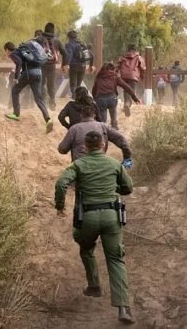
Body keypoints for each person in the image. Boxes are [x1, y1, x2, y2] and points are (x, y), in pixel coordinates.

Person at [55, 130, 135, 324]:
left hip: (87, 217)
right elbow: (128, 188)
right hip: (111, 216)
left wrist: (60, 207)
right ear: (103, 145)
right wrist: (113, 189)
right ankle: (123, 308)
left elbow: (61, 183)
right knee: (115, 259)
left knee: (86, 246)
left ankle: (94, 285)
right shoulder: (114, 164)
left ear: (85, 147)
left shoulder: (78, 165)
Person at [4, 41, 53, 133]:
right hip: (39, 72)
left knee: (15, 90)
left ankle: (16, 114)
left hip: (28, 73)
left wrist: (16, 77)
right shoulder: (26, 51)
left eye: (5, 51)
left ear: (7, 50)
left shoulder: (13, 53)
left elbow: (18, 62)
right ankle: (48, 119)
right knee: (38, 99)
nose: (6, 53)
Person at [58, 105, 132, 164]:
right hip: (100, 165)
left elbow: (62, 149)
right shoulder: (103, 126)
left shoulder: (74, 129)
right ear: (94, 115)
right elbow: (121, 139)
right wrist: (127, 157)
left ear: (81, 115)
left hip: (79, 167)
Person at [92, 62, 140, 130]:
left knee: (102, 121)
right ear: (112, 69)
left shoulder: (98, 77)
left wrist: (95, 99)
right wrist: (135, 98)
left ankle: (103, 134)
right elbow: (126, 87)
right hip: (112, 98)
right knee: (113, 115)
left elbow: (94, 90)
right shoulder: (115, 77)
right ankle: (114, 128)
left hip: (100, 99)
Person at [41, 22, 68, 111]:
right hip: (52, 66)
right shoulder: (57, 41)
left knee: (41, 84)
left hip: (42, 65)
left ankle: (43, 103)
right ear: (53, 30)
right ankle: (52, 103)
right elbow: (65, 53)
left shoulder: (40, 39)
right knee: (51, 85)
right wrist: (64, 65)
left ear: (45, 30)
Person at [117, 44, 146, 116]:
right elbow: (143, 68)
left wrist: (116, 74)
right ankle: (127, 104)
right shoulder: (139, 57)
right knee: (131, 92)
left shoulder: (122, 57)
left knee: (126, 91)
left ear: (127, 49)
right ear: (135, 49)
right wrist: (142, 77)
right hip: (134, 77)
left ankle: (126, 104)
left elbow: (117, 66)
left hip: (124, 76)